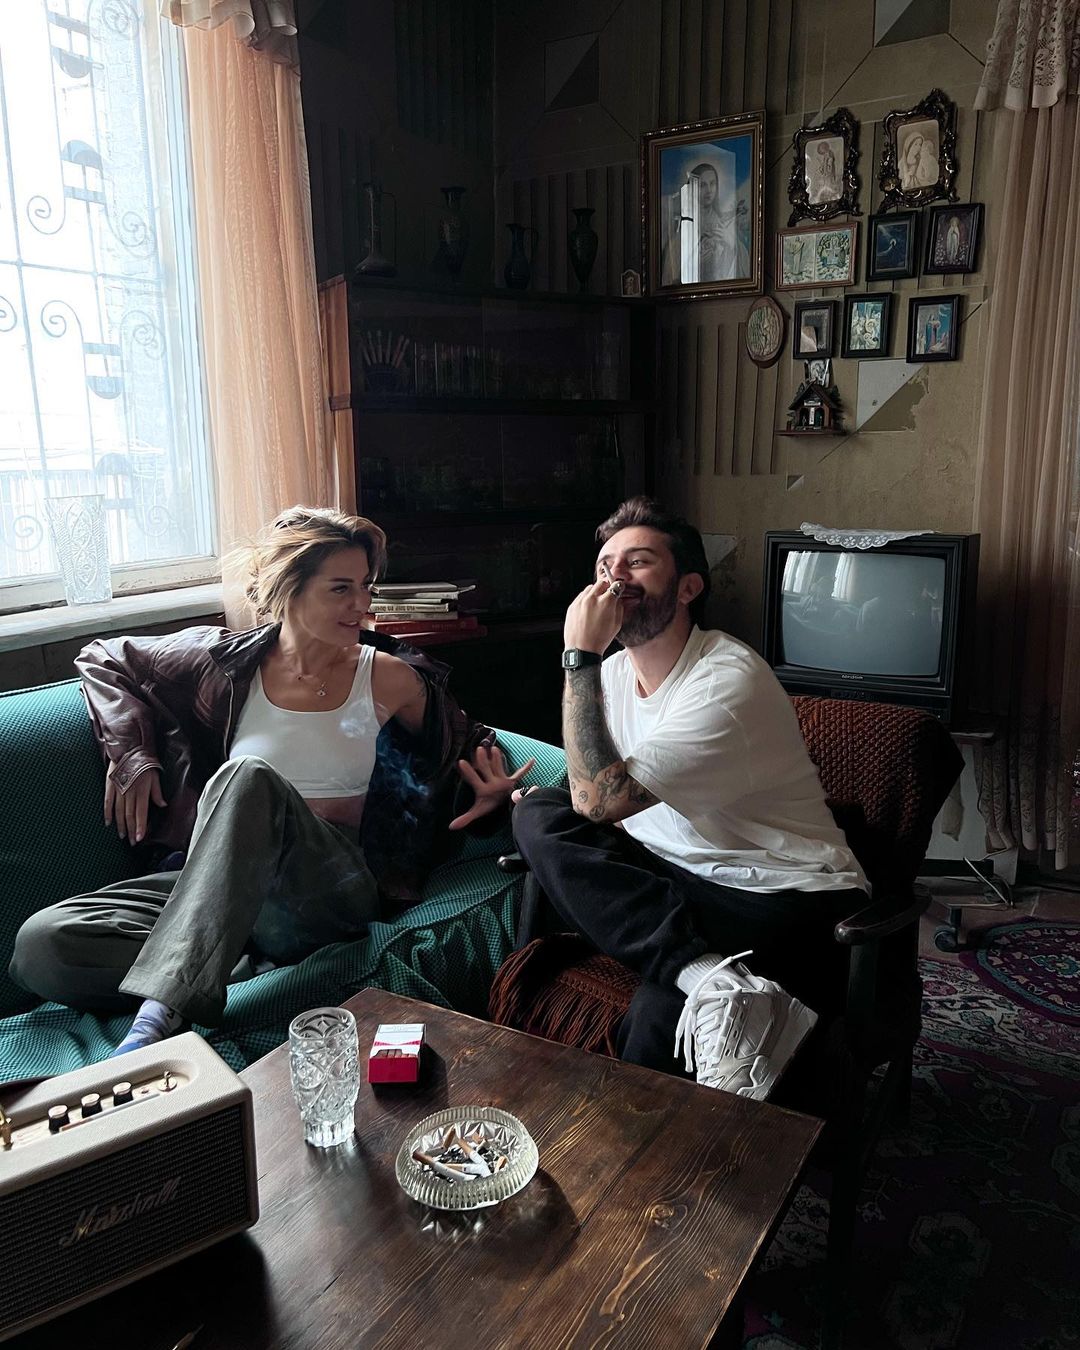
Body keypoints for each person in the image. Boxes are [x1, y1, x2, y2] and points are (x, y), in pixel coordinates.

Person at [9, 506, 532, 1056]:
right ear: (290, 587)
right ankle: (225, 965)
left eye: (365, 586)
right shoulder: (223, 663)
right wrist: (132, 756)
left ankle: (159, 1016)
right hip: (221, 883)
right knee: (43, 945)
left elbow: (465, 737)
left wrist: (493, 790)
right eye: (341, 588)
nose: (361, 604)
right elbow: (104, 658)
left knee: (248, 777)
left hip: (328, 888)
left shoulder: (387, 676)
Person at [510, 498, 866, 1101]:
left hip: (782, 896)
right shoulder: (611, 676)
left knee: (657, 1024)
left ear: (687, 588)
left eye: (638, 562)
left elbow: (600, 803)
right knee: (537, 811)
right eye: (604, 566)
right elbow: (582, 790)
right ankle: (706, 976)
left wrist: (579, 657)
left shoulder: (726, 680)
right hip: (683, 882)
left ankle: (700, 996)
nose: (614, 579)